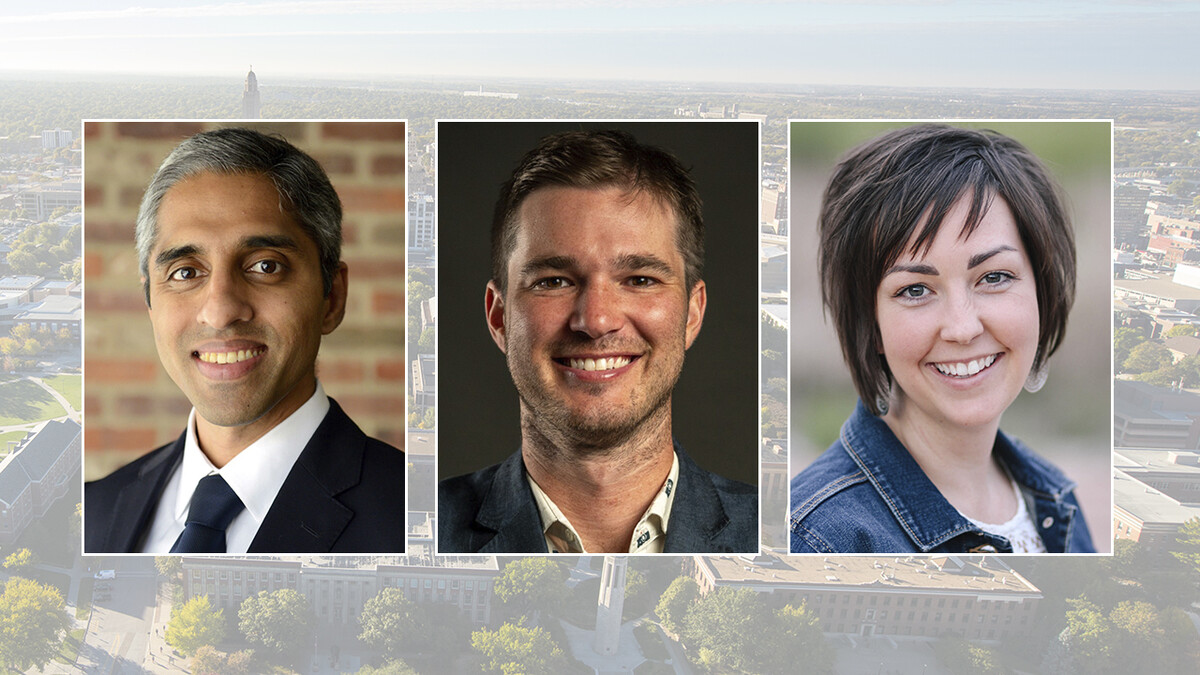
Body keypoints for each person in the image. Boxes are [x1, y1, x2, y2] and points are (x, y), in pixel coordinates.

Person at [85, 127, 405, 554]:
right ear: (150, 302)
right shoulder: (94, 509)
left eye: (266, 266)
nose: (220, 311)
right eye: (185, 272)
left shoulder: (412, 515)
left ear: (332, 297)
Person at [438, 129, 757, 554]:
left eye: (640, 280)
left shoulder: (776, 531)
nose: (597, 319)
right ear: (499, 317)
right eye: (553, 281)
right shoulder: (420, 526)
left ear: (692, 314)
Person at [789, 124, 1094, 554]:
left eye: (994, 277)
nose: (962, 327)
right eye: (915, 290)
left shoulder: (1058, 499)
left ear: (1042, 294)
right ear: (870, 324)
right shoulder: (818, 538)